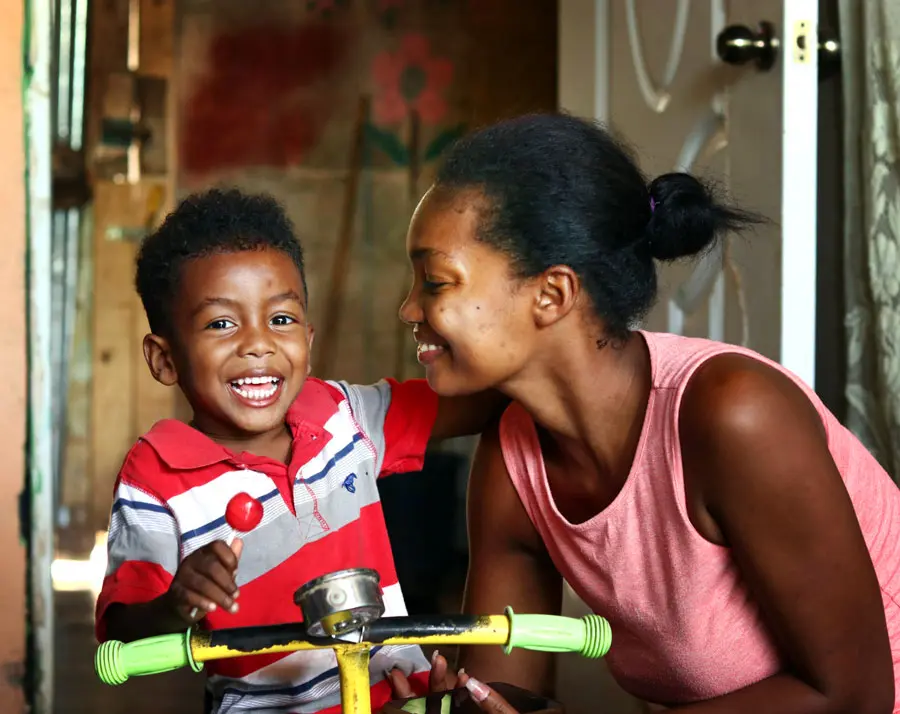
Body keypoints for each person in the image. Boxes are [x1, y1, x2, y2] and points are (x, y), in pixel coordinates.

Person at [387, 114, 900, 713]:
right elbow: (501, 689)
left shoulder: (733, 414)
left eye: (436, 282)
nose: (408, 309)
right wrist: (457, 706)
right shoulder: (514, 458)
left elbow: (853, 696)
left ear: (552, 294)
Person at [95, 188, 506, 714]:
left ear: (308, 342)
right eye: (222, 323)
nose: (258, 343)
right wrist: (176, 603)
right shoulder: (155, 475)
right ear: (165, 359)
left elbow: (478, 403)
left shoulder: (342, 414)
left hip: (401, 698)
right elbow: (122, 639)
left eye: (282, 319)